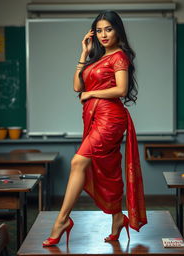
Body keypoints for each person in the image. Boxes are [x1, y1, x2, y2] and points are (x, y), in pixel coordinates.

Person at [42, 10, 147, 247]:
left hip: (111, 119)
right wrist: (84, 53)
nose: (103, 34)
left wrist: (91, 93)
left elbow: (121, 90)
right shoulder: (96, 58)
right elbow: (77, 85)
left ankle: (61, 220)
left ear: (118, 30)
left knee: (78, 162)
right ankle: (118, 217)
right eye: (98, 30)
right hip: (93, 118)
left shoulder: (120, 57)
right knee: (106, 170)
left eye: (108, 29)